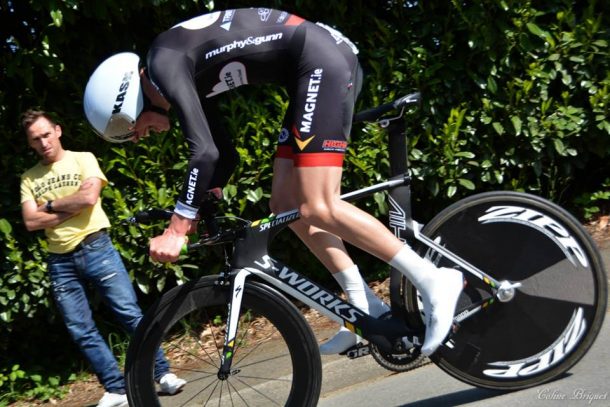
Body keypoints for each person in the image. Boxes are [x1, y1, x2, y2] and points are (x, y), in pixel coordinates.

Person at [83, 8, 463, 356]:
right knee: (285, 206)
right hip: (308, 67)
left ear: (126, 99)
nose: (137, 137)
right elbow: (222, 153)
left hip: (320, 60)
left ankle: (433, 280)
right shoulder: (176, 72)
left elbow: (204, 154)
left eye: (127, 129)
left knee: (320, 204)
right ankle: (362, 303)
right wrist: (202, 200)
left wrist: (177, 229)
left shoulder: (164, 63)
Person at [19, 110, 186, 407]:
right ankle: (116, 389)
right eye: (36, 139)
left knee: (129, 314)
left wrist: (50, 205)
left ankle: (163, 374)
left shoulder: (83, 158)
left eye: (46, 134)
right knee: (80, 328)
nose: (43, 142)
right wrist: (71, 206)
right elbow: (31, 222)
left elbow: (89, 199)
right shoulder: (29, 178)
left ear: (58, 130)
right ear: (30, 144)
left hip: (97, 247)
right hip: (60, 261)